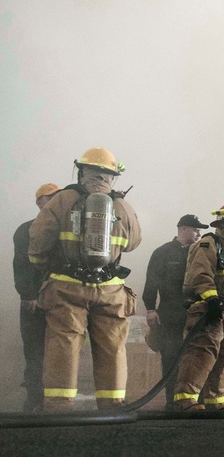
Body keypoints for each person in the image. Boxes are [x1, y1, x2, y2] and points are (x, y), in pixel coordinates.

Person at [28, 148, 141, 412]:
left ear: (82, 172)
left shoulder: (61, 199)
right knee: (112, 348)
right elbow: (134, 243)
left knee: (64, 345)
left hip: (67, 286)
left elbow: (39, 241)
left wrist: (44, 267)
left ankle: (59, 406)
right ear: (111, 177)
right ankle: (113, 407)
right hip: (111, 289)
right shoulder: (122, 205)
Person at [171, 203, 224, 410]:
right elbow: (201, 274)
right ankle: (185, 398)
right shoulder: (208, 243)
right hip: (210, 309)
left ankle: (217, 399)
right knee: (202, 353)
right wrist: (212, 298)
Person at [142, 214, 208, 408]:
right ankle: (172, 401)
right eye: (196, 229)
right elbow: (151, 281)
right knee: (171, 356)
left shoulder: (200, 252)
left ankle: (195, 400)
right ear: (184, 229)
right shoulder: (162, 252)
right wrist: (150, 309)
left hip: (196, 313)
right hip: (170, 313)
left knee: (196, 356)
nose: (199, 233)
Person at [13, 183, 60, 411]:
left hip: (59, 300)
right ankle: (34, 399)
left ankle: (51, 401)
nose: (54, 201)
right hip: (34, 301)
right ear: (39, 201)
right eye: (49, 197)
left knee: (57, 351)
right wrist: (28, 294)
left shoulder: (62, 229)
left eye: (57, 197)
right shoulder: (27, 229)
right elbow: (21, 265)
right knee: (34, 351)